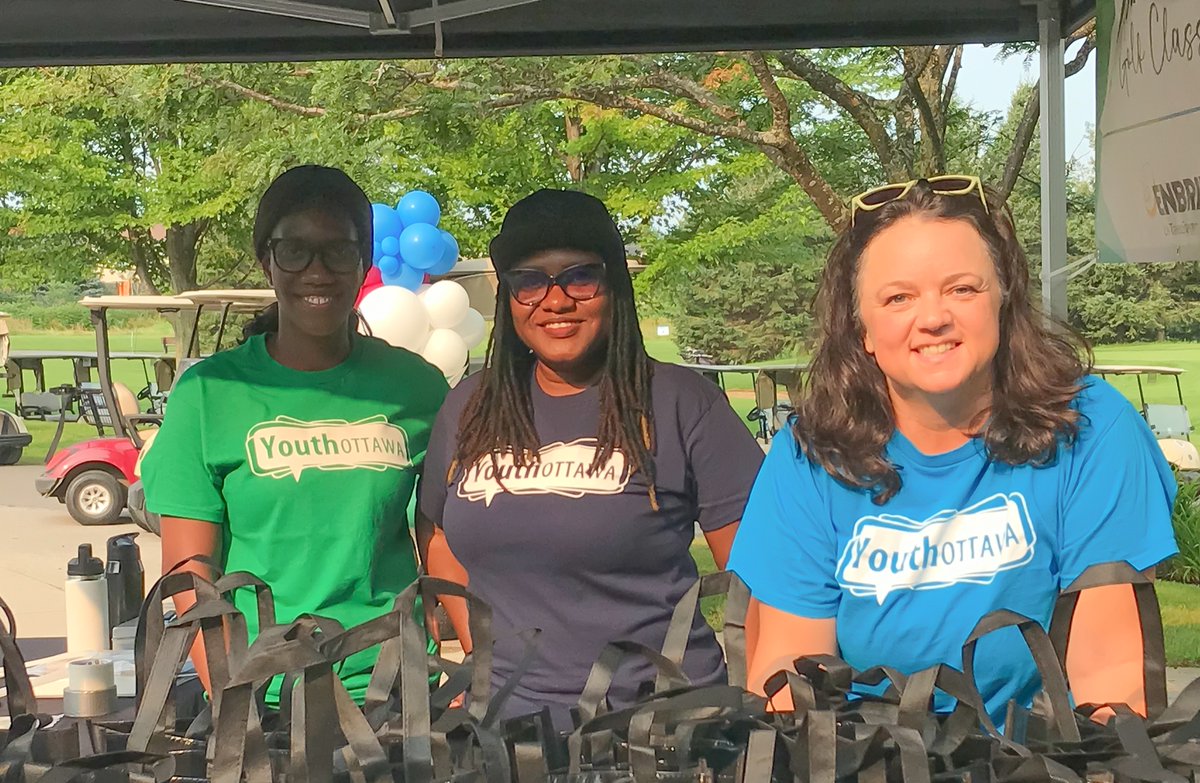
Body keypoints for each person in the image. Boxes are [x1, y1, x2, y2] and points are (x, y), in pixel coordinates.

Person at [728, 176, 1178, 724]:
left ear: (1003, 297)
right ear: (861, 326)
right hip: (860, 753)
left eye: (962, 289)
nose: (934, 317)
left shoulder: (1090, 428)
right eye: (898, 297)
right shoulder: (810, 453)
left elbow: (1111, 686)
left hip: (1040, 755)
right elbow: (788, 683)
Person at [418, 189, 765, 727]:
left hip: (661, 726)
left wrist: (765, 703)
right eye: (529, 281)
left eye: (579, 276)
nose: (555, 300)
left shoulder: (680, 402)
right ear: (509, 299)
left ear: (613, 286)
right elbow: (439, 540)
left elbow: (759, 577)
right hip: (507, 728)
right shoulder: (470, 406)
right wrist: (480, 657)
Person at [142, 165, 448, 702]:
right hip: (265, 691)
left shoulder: (416, 388)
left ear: (364, 263)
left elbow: (441, 540)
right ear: (267, 261)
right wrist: (233, 700)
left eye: (338, 250)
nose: (317, 270)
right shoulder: (209, 394)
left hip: (394, 690)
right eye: (294, 250)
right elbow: (191, 576)